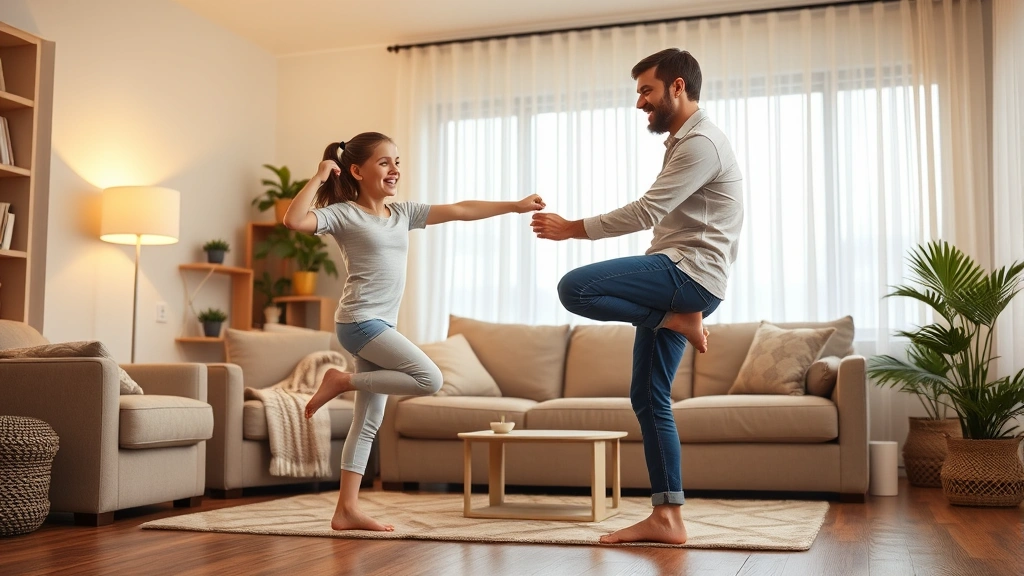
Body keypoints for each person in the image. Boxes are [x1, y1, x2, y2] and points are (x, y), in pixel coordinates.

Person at [530, 48, 744, 545]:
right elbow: (668, 223)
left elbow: (649, 211)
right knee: (648, 398)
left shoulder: (702, 144)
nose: (639, 102)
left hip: (689, 277)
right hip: (681, 279)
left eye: (646, 90)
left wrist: (572, 229)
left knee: (575, 287)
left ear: (677, 86)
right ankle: (668, 517)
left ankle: (678, 320)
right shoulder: (682, 141)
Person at [284, 131, 545, 532]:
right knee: (429, 378)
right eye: (385, 162)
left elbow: (460, 209)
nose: (395, 170)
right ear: (357, 170)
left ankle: (346, 510)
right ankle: (341, 380)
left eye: (398, 162)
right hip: (358, 321)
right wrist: (320, 177)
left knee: (368, 420)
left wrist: (513, 206)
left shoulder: (402, 213)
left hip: (380, 324)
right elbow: (294, 220)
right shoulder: (343, 214)